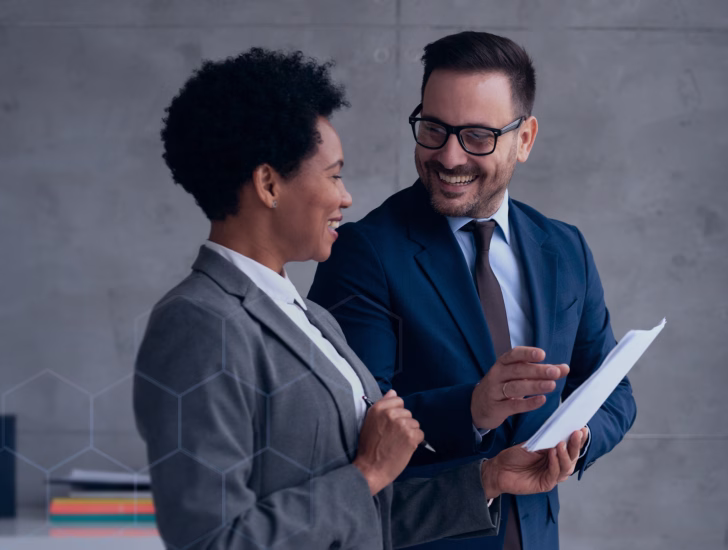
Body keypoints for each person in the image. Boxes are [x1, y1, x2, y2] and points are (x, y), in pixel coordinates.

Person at [133, 47, 586, 550]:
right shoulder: (198, 323)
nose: (346, 197)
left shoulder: (310, 320)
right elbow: (211, 541)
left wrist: (488, 479)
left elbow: (368, 515)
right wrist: (366, 473)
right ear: (268, 184)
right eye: (333, 174)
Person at [308, 32, 637, 550]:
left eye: (478, 136)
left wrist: (581, 436)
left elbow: (613, 389)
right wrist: (475, 409)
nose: (449, 156)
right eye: (434, 129)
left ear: (524, 139)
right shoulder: (364, 252)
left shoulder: (565, 248)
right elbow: (350, 427)